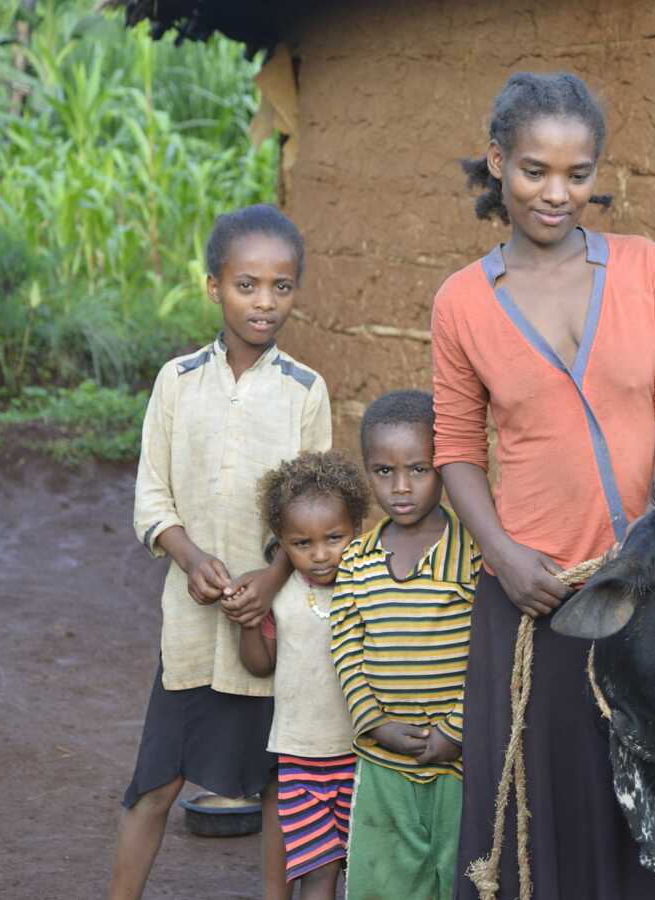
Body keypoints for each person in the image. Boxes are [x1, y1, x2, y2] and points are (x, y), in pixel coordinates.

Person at [432, 73, 655, 899]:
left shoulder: (643, 267)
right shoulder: (463, 302)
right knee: (550, 796)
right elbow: (456, 450)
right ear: (497, 162)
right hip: (539, 598)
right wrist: (506, 558)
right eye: (534, 171)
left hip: (646, 585)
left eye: (578, 174)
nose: (557, 194)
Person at [110, 204, 330, 900]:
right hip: (191, 628)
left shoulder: (304, 392)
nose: (265, 302)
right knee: (157, 783)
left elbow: (317, 512)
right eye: (247, 285)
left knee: (277, 787)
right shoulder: (176, 382)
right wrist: (187, 554)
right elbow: (152, 498)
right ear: (214, 287)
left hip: (273, 631)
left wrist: (271, 581)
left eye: (282, 287)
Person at [330, 389, 480, 899]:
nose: (401, 488)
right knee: (385, 881)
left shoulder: (474, 556)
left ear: (444, 469)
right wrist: (375, 722)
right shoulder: (357, 561)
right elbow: (346, 646)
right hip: (383, 767)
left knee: (462, 879)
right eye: (383, 471)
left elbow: (491, 656)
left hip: (460, 764)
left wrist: (456, 730)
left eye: (419, 469)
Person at [238, 450, 368, 900]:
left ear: (358, 529)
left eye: (335, 538)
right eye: (302, 543)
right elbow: (259, 665)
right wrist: (249, 620)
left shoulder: (370, 587)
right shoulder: (282, 596)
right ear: (281, 541)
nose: (320, 555)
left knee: (366, 868)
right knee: (318, 871)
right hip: (301, 760)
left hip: (365, 756)